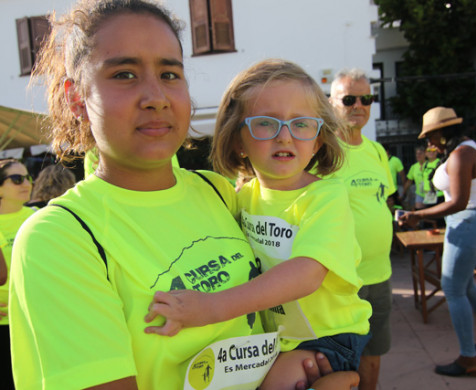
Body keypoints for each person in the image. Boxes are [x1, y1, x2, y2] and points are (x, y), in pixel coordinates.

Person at [9, 1, 338, 389]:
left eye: (169, 73)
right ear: (77, 98)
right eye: (125, 74)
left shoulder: (217, 192)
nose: (156, 97)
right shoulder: (58, 239)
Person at [146, 59, 371, 390]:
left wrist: (210, 308)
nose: (285, 137)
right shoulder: (242, 195)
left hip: (329, 337)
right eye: (266, 124)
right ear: (238, 140)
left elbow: (306, 274)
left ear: (319, 140)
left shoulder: (326, 197)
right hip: (276, 338)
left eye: (302, 124)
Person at [399, 106, 476, 377]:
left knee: (453, 288)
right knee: (465, 283)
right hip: (473, 221)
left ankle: (468, 359)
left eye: (431, 136)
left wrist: (416, 215)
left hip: (467, 222)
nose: (428, 142)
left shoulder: (462, 154)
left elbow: (458, 202)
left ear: (444, 132)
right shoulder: (471, 149)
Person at [328, 68, 394, 390]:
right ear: (331, 103)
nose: (359, 105)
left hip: (380, 275)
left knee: (374, 351)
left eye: (366, 98)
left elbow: (384, 201)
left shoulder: (377, 151)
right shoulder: (322, 156)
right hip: (343, 280)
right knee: (340, 358)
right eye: (349, 98)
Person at [0, 158, 35, 390]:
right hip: (4, 322)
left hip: (34, 318)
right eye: (16, 179)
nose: (27, 183)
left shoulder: (40, 215)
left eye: (28, 177)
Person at [401, 145, 426, 210]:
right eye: (416, 154)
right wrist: (403, 193)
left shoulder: (429, 164)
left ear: (425, 154)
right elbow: (409, 181)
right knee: (418, 210)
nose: (418, 155)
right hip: (419, 193)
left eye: (420, 153)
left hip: (430, 193)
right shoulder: (414, 167)